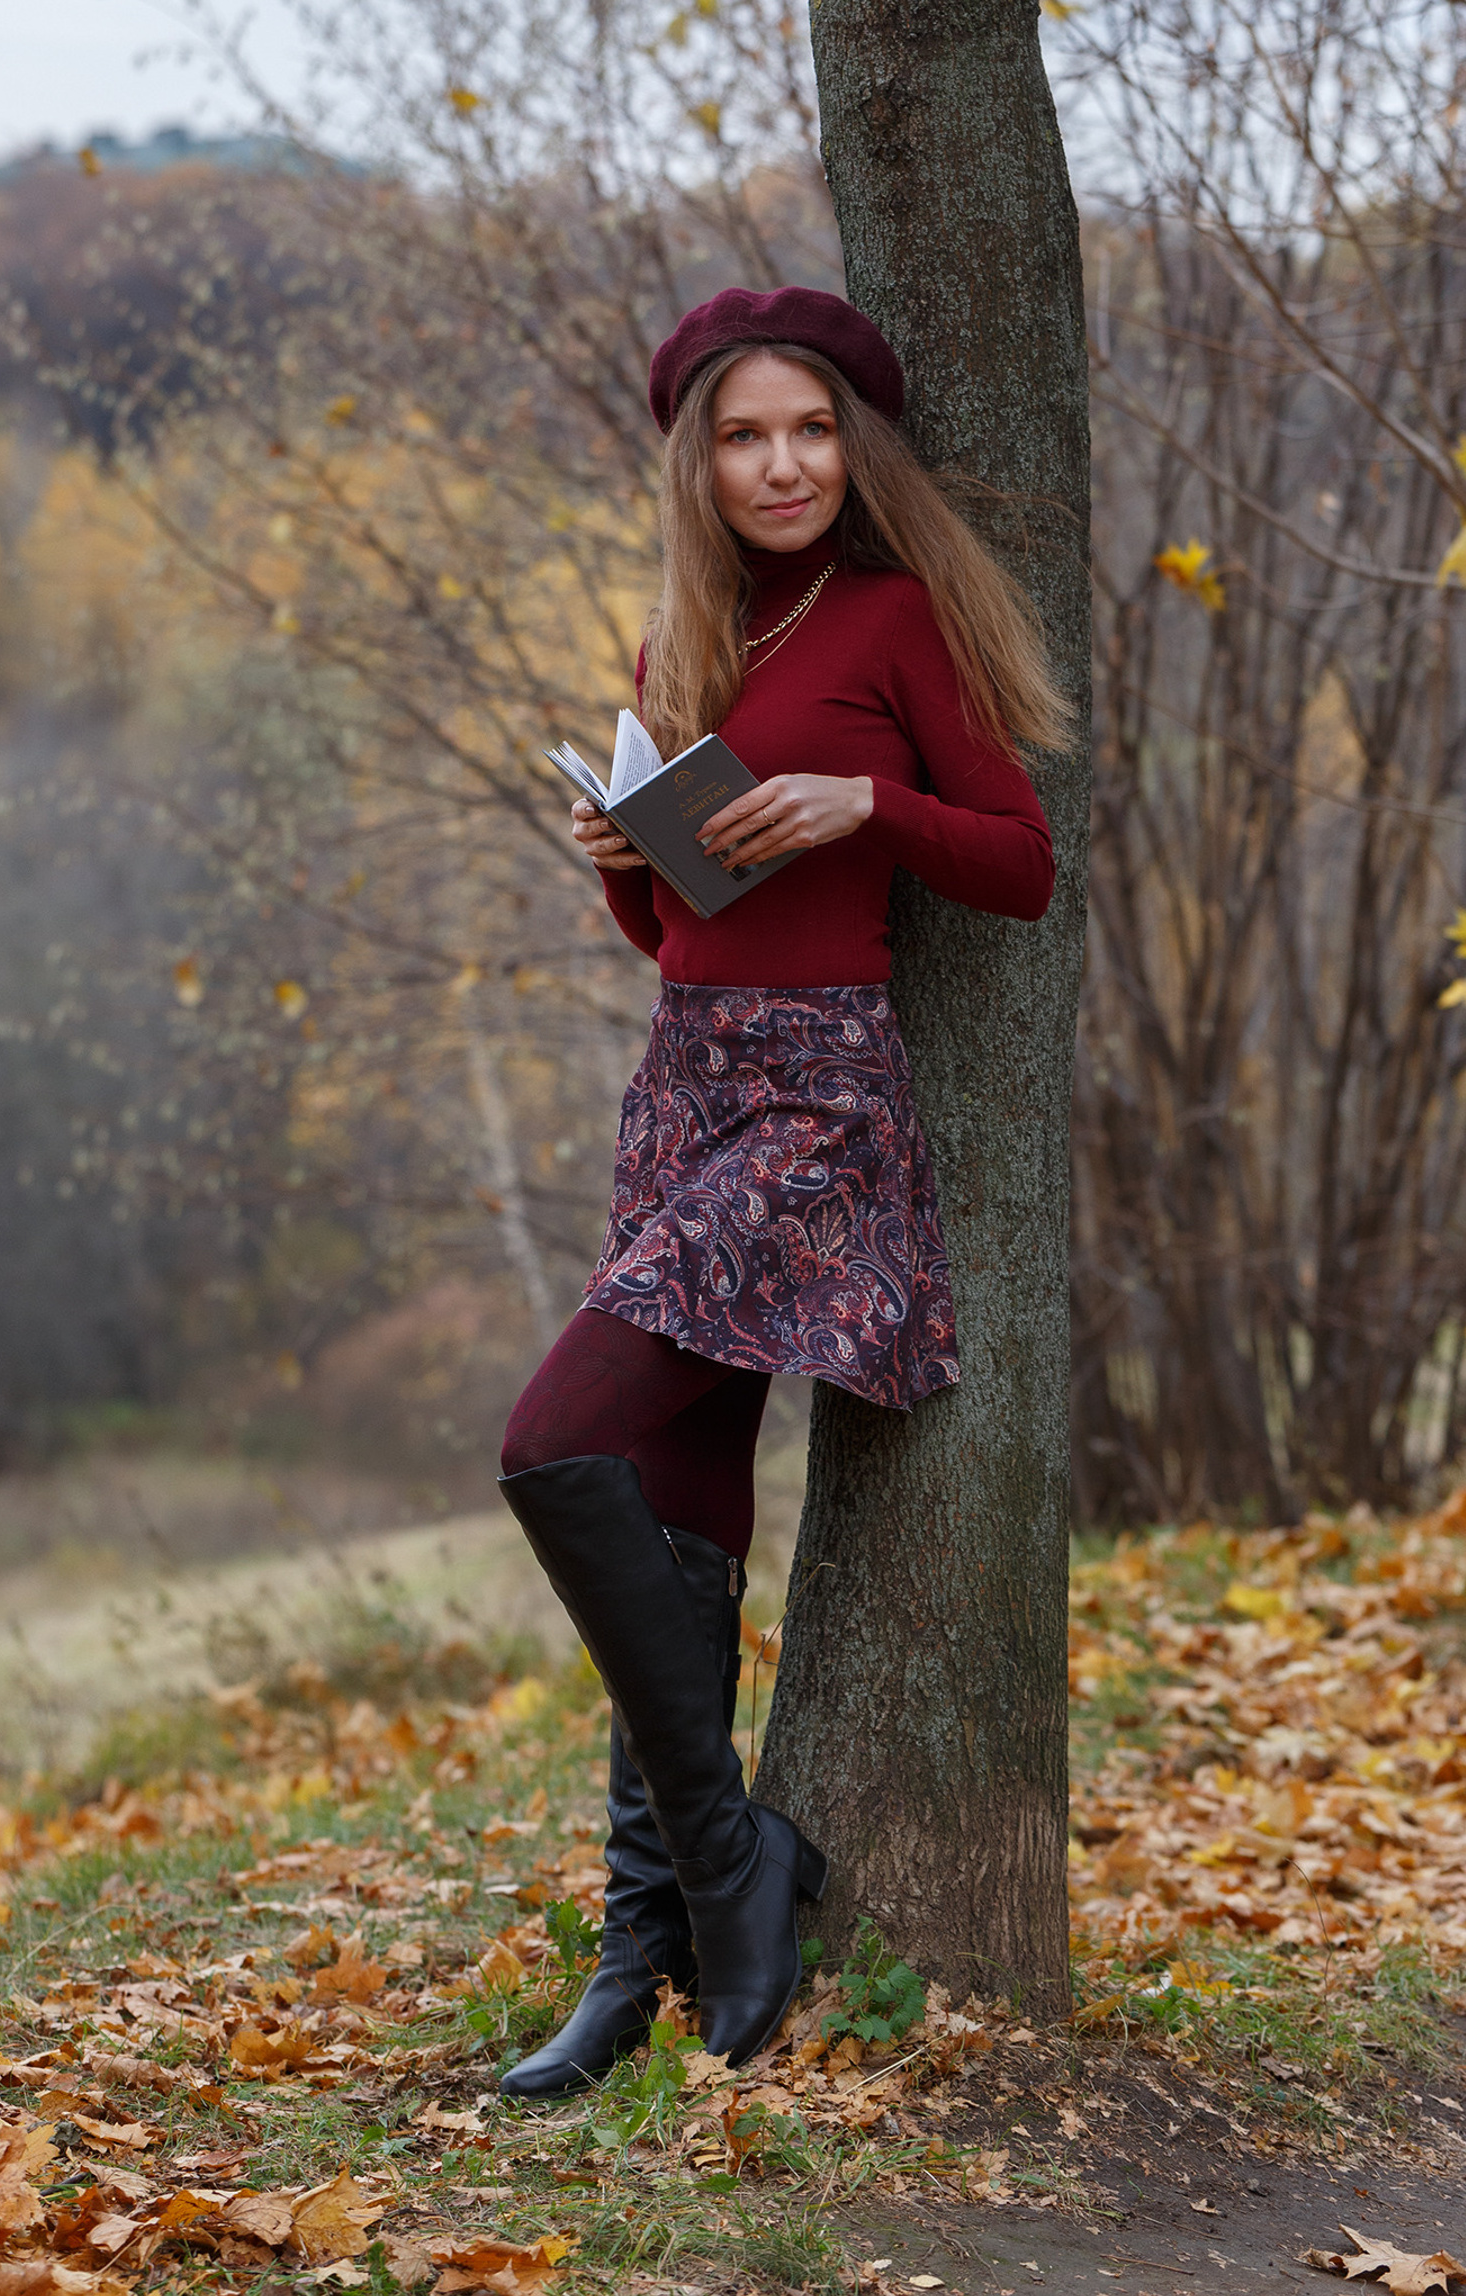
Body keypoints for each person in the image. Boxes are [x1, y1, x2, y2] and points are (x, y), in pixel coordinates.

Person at [495, 285, 1072, 2097]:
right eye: (746, 436)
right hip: (687, 1082)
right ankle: (642, 1945)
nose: (783, 464)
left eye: (811, 430)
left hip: (817, 1100)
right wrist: (617, 860)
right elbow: (681, 926)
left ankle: (738, 1870)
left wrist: (862, 808)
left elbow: (1026, 862)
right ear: (698, 459)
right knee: (675, 1513)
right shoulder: (680, 639)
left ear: (856, 444)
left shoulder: (897, 618)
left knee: (551, 1442)